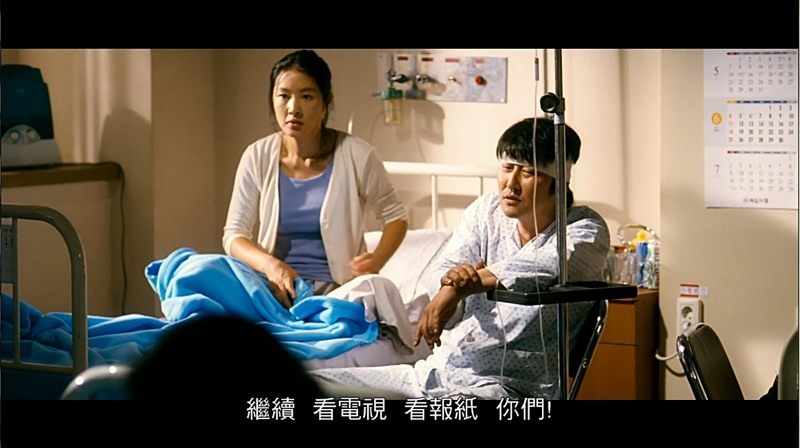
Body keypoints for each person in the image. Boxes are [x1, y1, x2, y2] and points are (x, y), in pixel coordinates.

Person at [309, 116, 611, 399]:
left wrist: (462, 286)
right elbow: (446, 266)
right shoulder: (486, 212)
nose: (511, 183)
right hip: (436, 375)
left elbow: (539, 267)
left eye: (529, 172)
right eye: (507, 168)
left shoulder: (585, 231)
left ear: (560, 181)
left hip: (506, 387)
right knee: (310, 384)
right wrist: (448, 288)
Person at [223, 49, 409, 310]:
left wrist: (376, 260)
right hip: (271, 289)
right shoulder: (257, 156)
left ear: (326, 101)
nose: (293, 109)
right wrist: (271, 266)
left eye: (307, 97)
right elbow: (234, 235)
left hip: (336, 295)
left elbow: (396, 218)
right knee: (193, 268)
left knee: (374, 294)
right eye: (284, 96)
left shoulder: (358, 155)